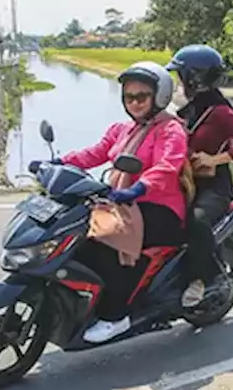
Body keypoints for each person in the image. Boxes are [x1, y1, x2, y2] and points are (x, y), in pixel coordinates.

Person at [34, 62, 188, 343]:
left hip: (159, 209)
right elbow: (94, 153)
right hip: (122, 202)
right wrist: (56, 163)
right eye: (129, 97)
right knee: (77, 233)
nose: (135, 102)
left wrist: (139, 187)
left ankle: (116, 315)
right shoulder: (122, 129)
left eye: (142, 96)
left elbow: (168, 166)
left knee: (106, 243)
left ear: (160, 97)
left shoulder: (170, 130)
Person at [169, 44, 233, 308]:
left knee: (195, 221)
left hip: (213, 187)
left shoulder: (219, 111)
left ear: (194, 78)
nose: (177, 83)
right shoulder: (191, 107)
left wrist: (214, 159)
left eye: (180, 77)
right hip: (185, 180)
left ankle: (203, 278)